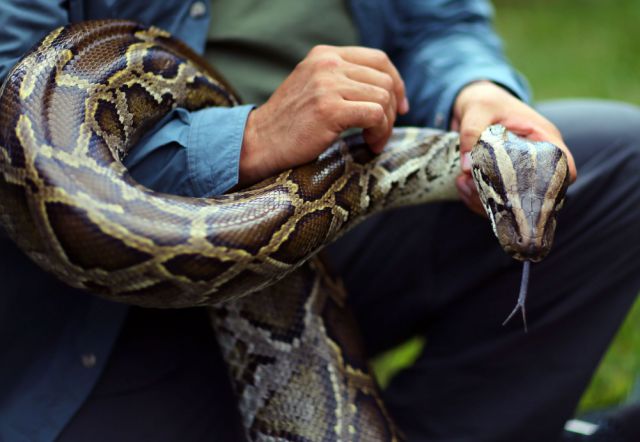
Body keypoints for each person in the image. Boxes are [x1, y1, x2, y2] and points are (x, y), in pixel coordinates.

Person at [0, 1, 638, 441]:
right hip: (96, 296)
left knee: (623, 161)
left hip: (327, 203)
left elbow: (442, 25)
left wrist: (476, 87)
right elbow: (13, 100)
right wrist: (249, 138)